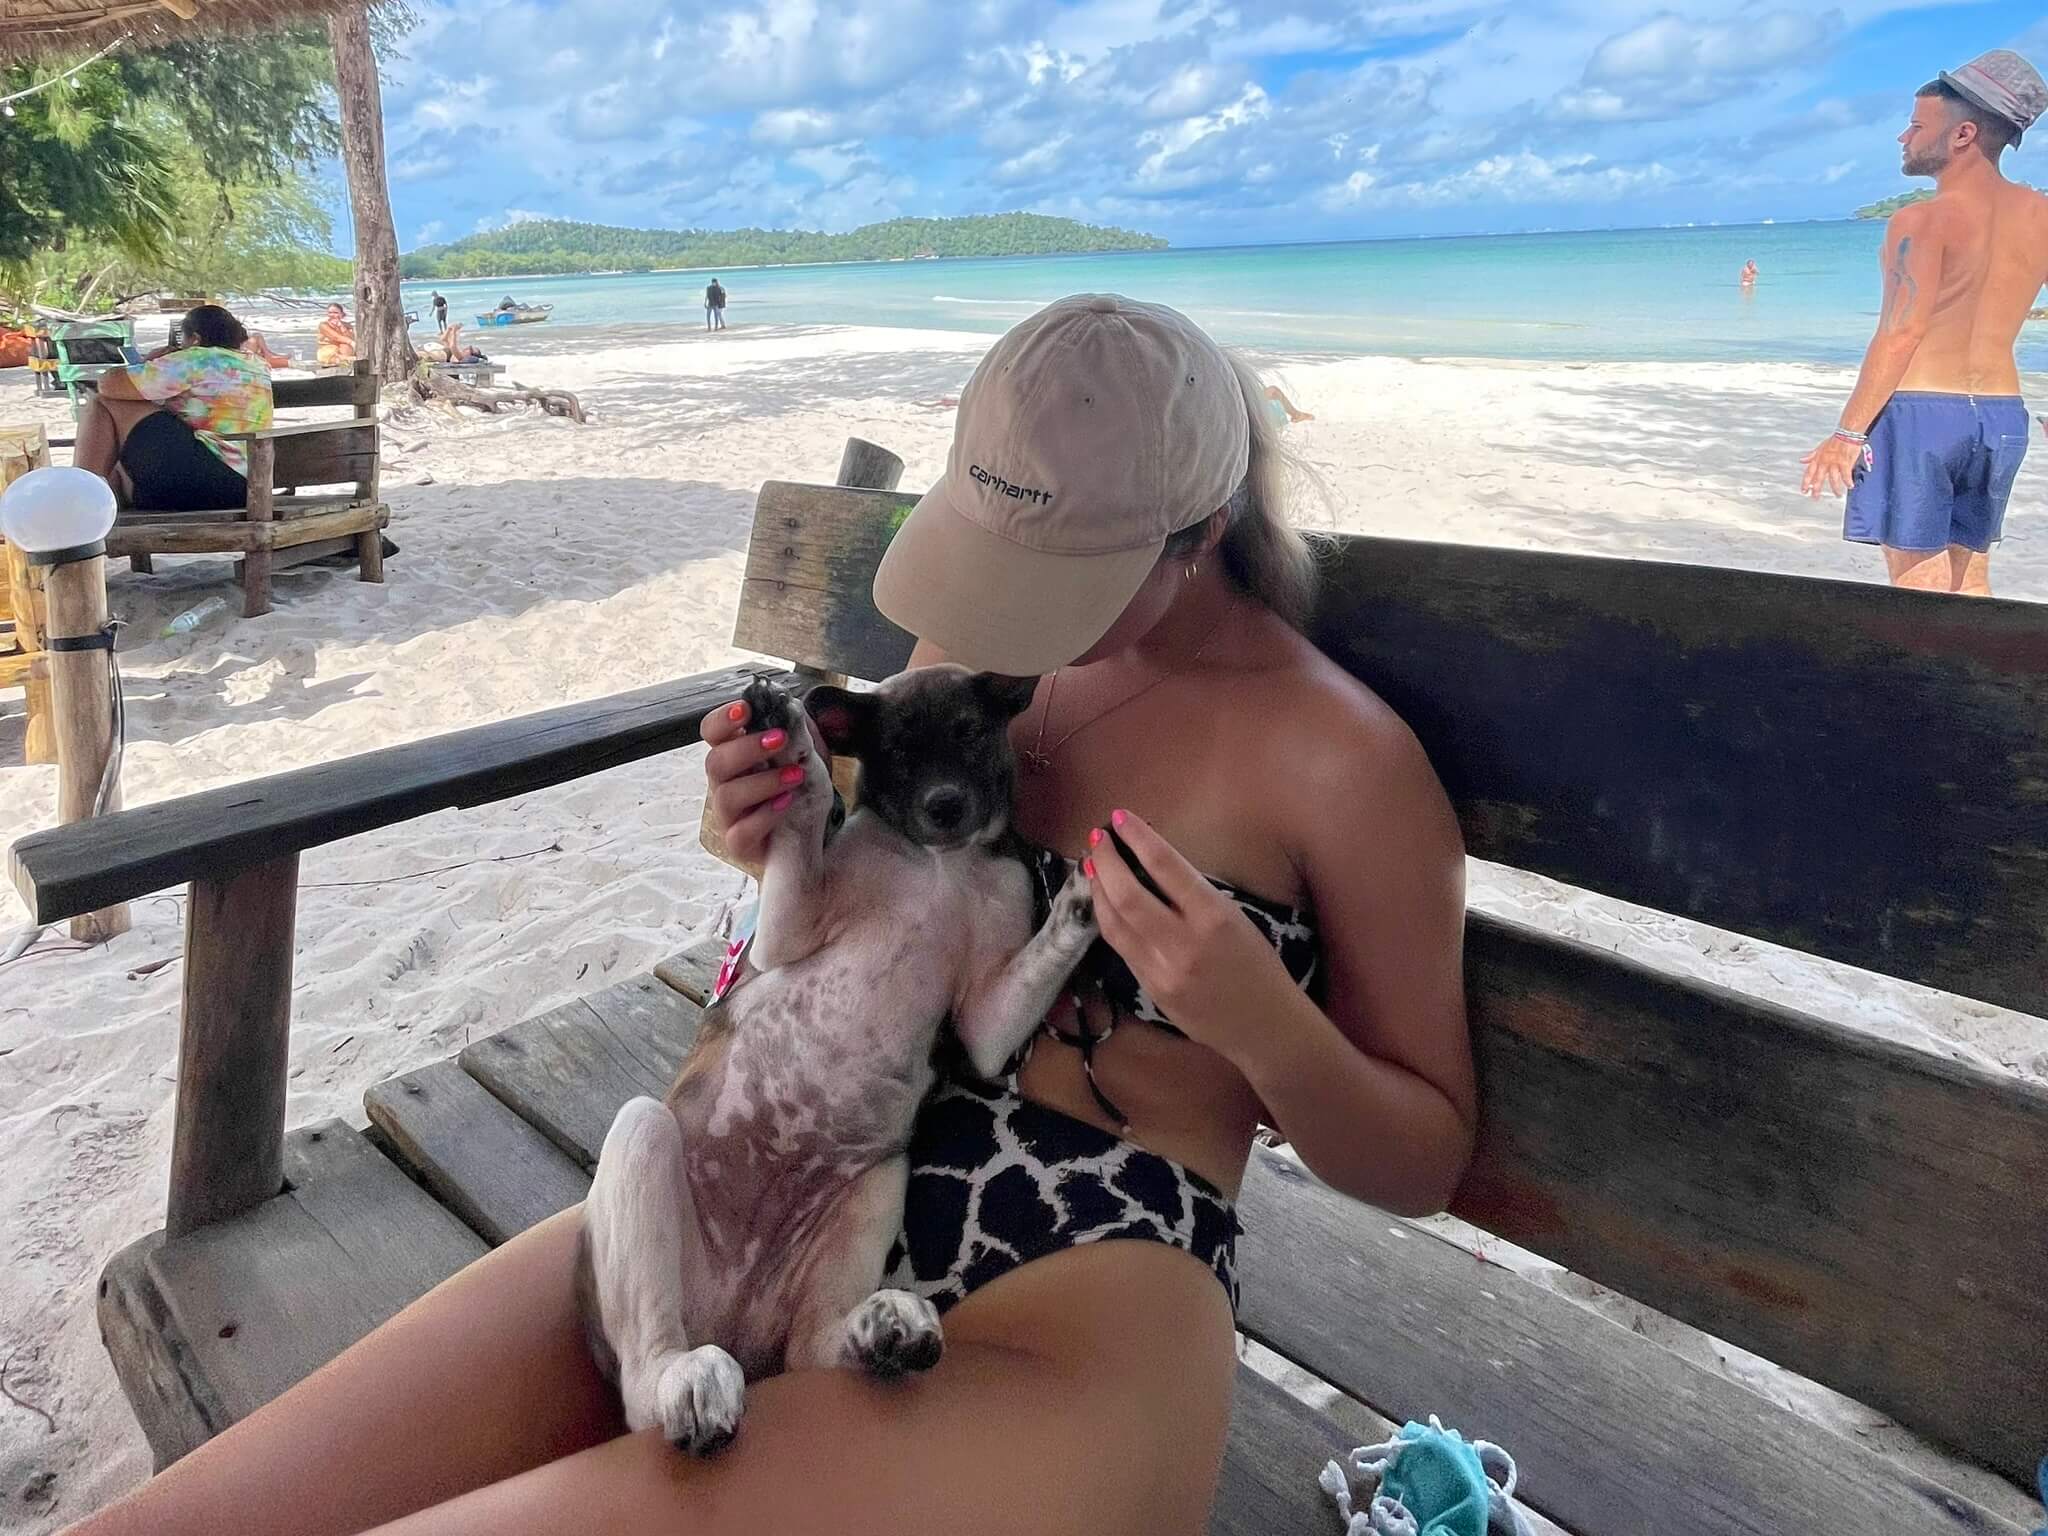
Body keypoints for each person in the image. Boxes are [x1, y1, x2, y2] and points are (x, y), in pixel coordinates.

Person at [60, 295, 1473, 1536]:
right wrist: (764, 832)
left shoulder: (1336, 762)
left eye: (1064, 583)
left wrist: (1264, 1026)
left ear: (1202, 535)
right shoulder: (964, 638)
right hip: (763, 1175)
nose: (1006, 621)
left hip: (1074, 1298)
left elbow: (1423, 1154)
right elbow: (832, 915)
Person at [1800, 49, 2048, 596]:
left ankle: (1929, 683)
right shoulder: (2041, 215)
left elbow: (1901, 331)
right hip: (2003, 418)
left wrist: (1846, 434)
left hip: (1922, 415)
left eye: (1915, 125)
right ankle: (1981, 682)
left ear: (1961, 135)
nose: (1902, 138)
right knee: (1972, 580)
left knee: (1920, 590)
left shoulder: (1921, 221)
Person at [73, 303, 273, 513]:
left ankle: (79, 498)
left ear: (195, 339)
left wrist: (146, 363)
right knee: (116, 467)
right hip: (247, 485)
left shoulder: (198, 358)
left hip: (207, 477)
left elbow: (108, 385)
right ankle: (92, 504)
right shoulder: (256, 365)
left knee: (102, 402)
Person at [315, 303, 356, 369]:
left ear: (342, 314)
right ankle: (348, 359)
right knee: (343, 348)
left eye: (336, 313)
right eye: (330, 313)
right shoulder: (323, 325)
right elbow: (335, 337)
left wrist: (342, 327)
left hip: (343, 350)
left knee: (345, 346)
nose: (333, 315)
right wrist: (351, 342)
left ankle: (347, 361)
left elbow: (351, 337)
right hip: (328, 350)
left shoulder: (347, 325)